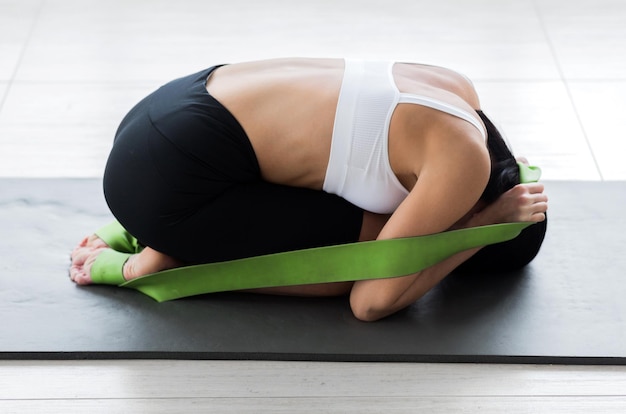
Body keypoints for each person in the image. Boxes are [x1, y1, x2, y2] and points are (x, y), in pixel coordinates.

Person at [70, 58, 548, 321]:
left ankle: (165, 229)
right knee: (361, 261)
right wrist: (484, 228)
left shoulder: (456, 89)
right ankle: (149, 262)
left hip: (170, 106)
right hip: (163, 185)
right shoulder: (462, 165)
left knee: (325, 175)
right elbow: (371, 301)